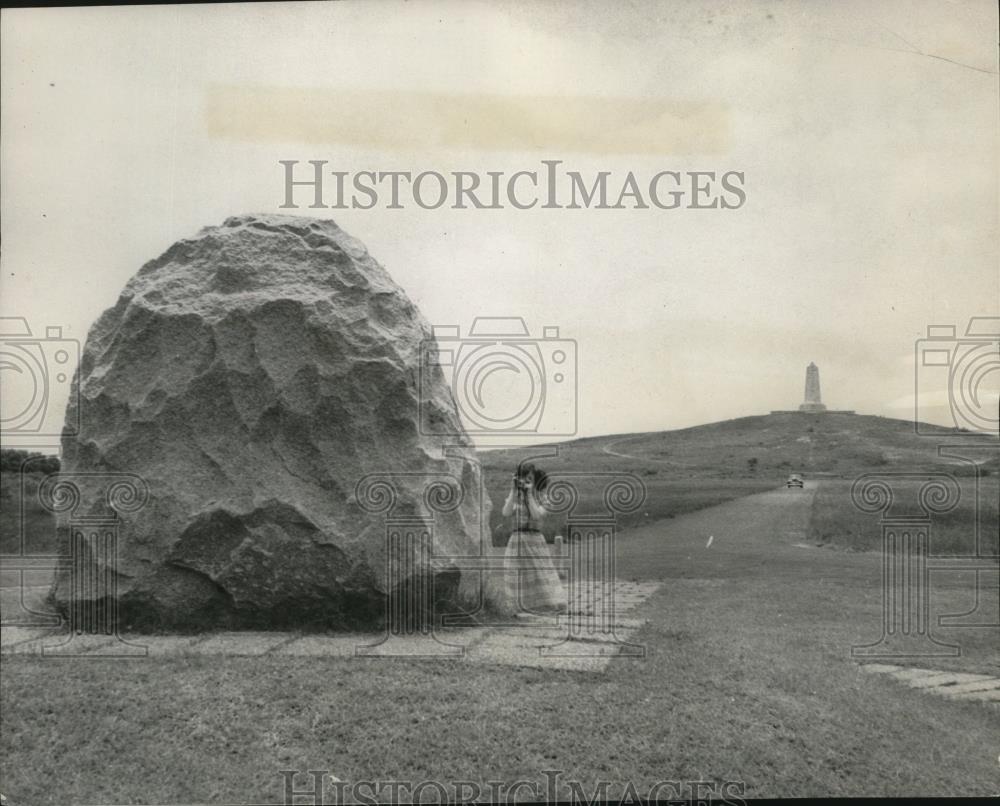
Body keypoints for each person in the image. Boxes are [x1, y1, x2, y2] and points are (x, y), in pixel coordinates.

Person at [502, 462, 566, 614]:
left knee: (538, 573)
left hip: (534, 539)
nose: (525, 481)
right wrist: (513, 491)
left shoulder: (544, 498)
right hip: (517, 539)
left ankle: (543, 605)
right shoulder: (515, 496)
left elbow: (537, 515)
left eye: (529, 478)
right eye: (522, 477)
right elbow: (506, 512)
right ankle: (518, 606)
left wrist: (529, 494)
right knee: (516, 572)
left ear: (536, 480)